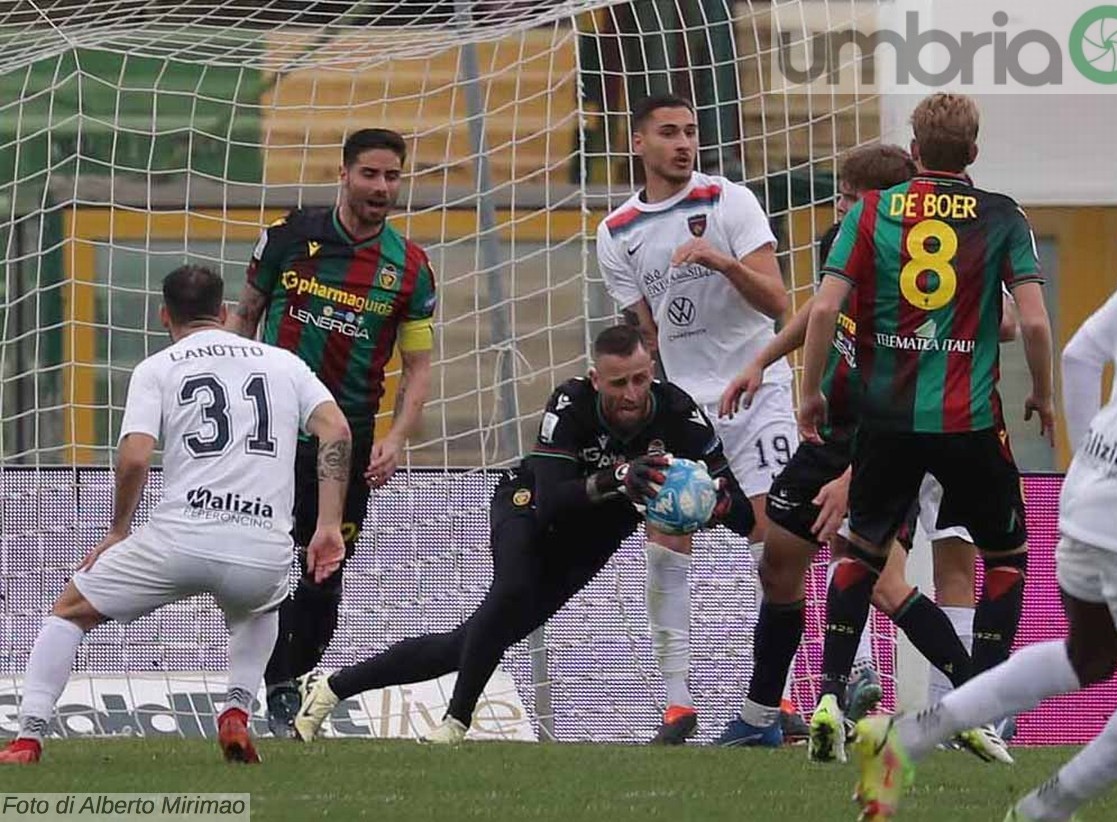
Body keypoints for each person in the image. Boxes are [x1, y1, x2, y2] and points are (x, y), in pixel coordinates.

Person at [851, 227, 1117, 821]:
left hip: (1090, 487)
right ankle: (1046, 809)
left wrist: (1090, 462)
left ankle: (907, 739)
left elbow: (1079, 354)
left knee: (1089, 656)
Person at [290, 325, 755, 744]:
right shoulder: (571, 403)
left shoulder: (679, 414)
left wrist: (714, 505)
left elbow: (738, 511)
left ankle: (332, 688)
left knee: (468, 643)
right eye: (618, 384)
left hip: (592, 541)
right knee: (509, 593)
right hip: (526, 508)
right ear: (597, 380)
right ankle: (456, 721)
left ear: (650, 371)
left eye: (639, 380)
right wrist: (617, 478)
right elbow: (552, 499)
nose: (631, 394)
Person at [0, 265, 350, 765]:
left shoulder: (158, 367)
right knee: (260, 608)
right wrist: (328, 525)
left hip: (180, 538)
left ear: (164, 314)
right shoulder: (285, 364)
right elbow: (337, 432)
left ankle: (28, 738)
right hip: (261, 546)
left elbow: (136, 457)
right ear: (225, 312)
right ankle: (235, 711)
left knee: (70, 611)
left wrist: (120, 529)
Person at [798, 92, 1055, 770]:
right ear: (972, 153)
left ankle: (827, 695)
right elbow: (1031, 321)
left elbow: (825, 308)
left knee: (860, 547)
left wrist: (808, 394)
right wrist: (1047, 399)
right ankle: (984, 707)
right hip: (969, 419)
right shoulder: (1002, 214)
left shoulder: (873, 211)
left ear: (913, 151)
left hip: (886, 419)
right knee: (1005, 558)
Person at [713, 145, 983, 751]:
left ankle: (976, 700)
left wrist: (856, 477)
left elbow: (913, 396)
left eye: (843, 194)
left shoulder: (921, 282)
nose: (835, 205)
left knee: (885, 583)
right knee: (779, 560)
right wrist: (761, 359)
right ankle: (761, 717)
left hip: (890, 442)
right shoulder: (851, 240)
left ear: (875, 200)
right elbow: (819, 310)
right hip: (836, 432)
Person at [597, 93, 796, 743]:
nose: (684, 143)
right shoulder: (617, 230)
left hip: (757, 388)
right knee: (666, 538)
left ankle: (778, 701)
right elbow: (645, 332)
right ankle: (678, 705)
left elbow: (778, 300)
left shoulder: (729, 202)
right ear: (638, 144)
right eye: (669, 133)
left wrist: (720, 260)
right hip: (686, 404)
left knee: (776, 545)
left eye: (691, 132)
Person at [227, 128, 437, 737]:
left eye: (392, 176)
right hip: (273, 432)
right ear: (343, 174)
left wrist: (397, 438)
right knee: (261, 565)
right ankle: (267, 684)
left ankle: (289, 680)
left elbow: (418, 366)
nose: (381, 187)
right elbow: (246, 315)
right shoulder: (289, 237)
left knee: (323, 574)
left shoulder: (410, 270)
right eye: (370, 174)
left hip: (347, 444)